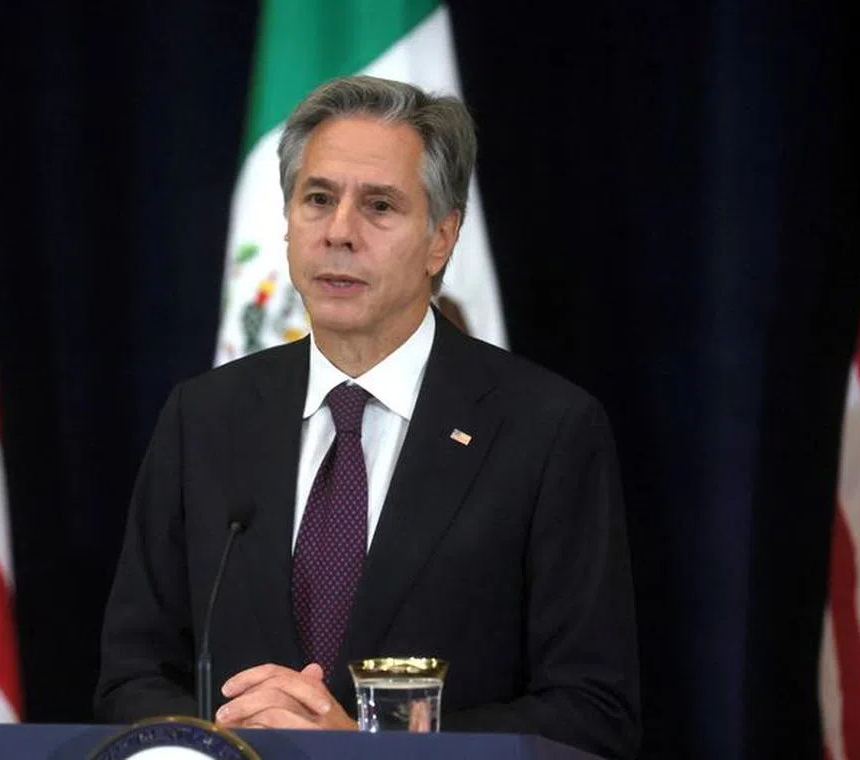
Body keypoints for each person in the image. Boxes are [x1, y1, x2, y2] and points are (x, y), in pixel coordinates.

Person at [95, 75, 640, 759]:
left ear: (440, 240)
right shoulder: (202, 417)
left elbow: (592, 710)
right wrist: (233, 741)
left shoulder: (547, 429)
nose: (339, 233)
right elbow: (134, 675)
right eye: (318, 199)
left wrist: (370, 747)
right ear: (289, 221)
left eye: (379, 206)